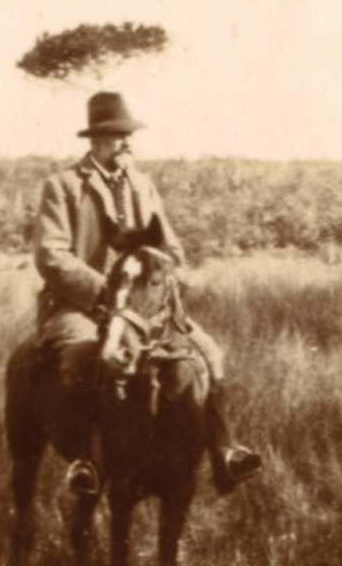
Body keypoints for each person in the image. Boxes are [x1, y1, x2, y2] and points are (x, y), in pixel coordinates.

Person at [33, 90, 262, 497]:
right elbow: (51, 255)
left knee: (209, 353)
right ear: (96, 140)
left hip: (142, 305)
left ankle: (225, 452)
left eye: (128, 135)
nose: (126, 143)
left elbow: (169, 246)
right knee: (85, 357)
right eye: (117, 136)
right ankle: (87, 461)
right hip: (81, 306)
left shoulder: (142, 184)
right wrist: (106, 290)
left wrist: (167, 279)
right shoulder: (63, 186)